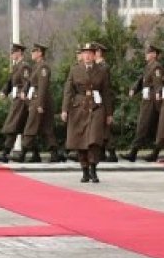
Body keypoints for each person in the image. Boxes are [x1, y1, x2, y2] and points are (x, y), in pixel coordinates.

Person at [60, 43, 112, 183]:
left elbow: (106, 92)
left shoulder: (101, 70)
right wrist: (64, 109)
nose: (87, 56)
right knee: (80, 140)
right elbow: (68, 91)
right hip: (79, 107)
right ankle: (84, 170)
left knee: (94, 140)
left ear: (95, 55)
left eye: (90, 53)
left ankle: (93, 169)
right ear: (81, 55)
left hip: (96, 107)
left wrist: (109, 113)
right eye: (85, 53)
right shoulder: (75, 70)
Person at [19, 43, 63, 163]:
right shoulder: (36, 66)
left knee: (30, 126)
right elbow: (29, 82)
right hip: (36, 99)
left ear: (40, 53)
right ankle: (54, 154)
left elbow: (43, 87)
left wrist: (40, 104)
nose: (32, 54)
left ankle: (22, 153)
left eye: (34, 51)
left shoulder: (43, 67)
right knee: (46, 128)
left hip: (40, 100)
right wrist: (24, 91)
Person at [123, 44, 164, 162]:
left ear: (154, 55)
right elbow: (141, 80)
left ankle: (133, 152)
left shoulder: (156, 67)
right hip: (147, 100)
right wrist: (134, 89)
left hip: (152, 100)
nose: (146, 55)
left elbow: (158, 83)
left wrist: (158, 95)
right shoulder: (148, 67)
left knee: (143, 125)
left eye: (148, 53)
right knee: (157, 128)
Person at [0, 43, 32, 163]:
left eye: (14, 52)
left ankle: (5, 152)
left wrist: (24, 92)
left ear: (19, 53)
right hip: (16, 98)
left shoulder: (24, 66)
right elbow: (10, 82)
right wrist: (4, 91)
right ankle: (36, 153)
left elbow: (27, 82)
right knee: (24, 127)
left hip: (21, 100)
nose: (11, 55)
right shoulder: (16, 66)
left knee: (13, 125)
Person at [94, 43, 118, 162]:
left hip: (104, 100)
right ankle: (102, 153)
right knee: (101, 128)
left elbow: (105, 87)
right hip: (100, 99)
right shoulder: (99, 66)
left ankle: (112, 152)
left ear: (98, 52)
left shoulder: (103, 67)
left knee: (106, 128)